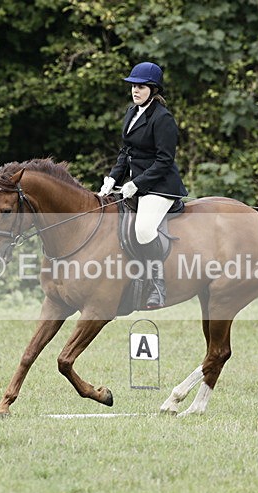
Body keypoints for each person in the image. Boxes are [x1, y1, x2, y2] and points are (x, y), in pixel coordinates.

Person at [98, 61, 188, 309]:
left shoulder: (163, 118)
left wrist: (137, 183)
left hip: (160, 186)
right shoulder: (132, 112)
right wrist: (113, 178)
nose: (135, 90)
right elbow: (126, 152)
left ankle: (158, 286)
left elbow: (164, 160)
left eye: (141, 87)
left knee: (144, 229)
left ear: (153, 89)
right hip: (136, 184)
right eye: (133, 86)